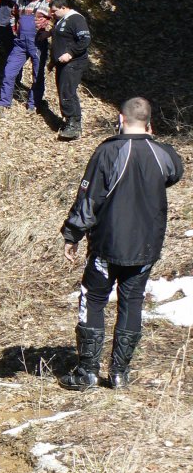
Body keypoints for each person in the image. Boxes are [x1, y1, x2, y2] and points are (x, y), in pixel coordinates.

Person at [59, 98, 183, 391]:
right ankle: (119, 374)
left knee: (93, 298)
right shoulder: (164, 154)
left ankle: (88, 371)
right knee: (132, 301)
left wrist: (72, 234)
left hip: (108, 244)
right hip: (146, 246)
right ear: (149, 124)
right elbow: (174, 174)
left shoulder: (108, 151)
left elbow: (89, 198)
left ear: (120, 119)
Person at [0, 0, 52, 116]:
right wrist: (15, 30)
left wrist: (49, 32)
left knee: (37, 75)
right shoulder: (20, 0)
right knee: (9, 71)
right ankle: (3, 103)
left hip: (37, 44)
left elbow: (59, 20)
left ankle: (33, 104)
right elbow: (13, 15)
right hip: (20, 44)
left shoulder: (47, 2)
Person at [49, 0, 91, 140]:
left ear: (64, 8)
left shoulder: (76, 19)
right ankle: (69, 122)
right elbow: (62, 36)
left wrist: (70, 53)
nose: (52, 14)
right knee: (64, 92)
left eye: (54, 11)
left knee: (68, 92)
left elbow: (85, 39)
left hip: (74, 63)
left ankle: (74, 126)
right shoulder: (61, 20)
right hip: (62, 63)